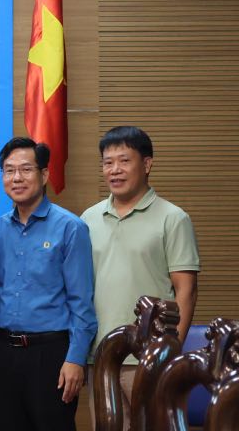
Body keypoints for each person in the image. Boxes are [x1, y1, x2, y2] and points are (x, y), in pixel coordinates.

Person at [0, 137, 97, 431]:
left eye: (26, 169)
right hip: (4, 353)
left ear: (43, 175)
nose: (17, 178)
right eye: (9, 170)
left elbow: (82, 303)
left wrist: (75, 359)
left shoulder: (70, 228)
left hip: (51, 354)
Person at [80, 126, 199, 405]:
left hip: (148, 358)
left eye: (124, 161)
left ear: (146, 164)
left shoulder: (173, 218)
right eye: (108, 163)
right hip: (101, 356)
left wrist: (168, 353)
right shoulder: (88, 218)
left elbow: (186, 291)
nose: (115, 170)